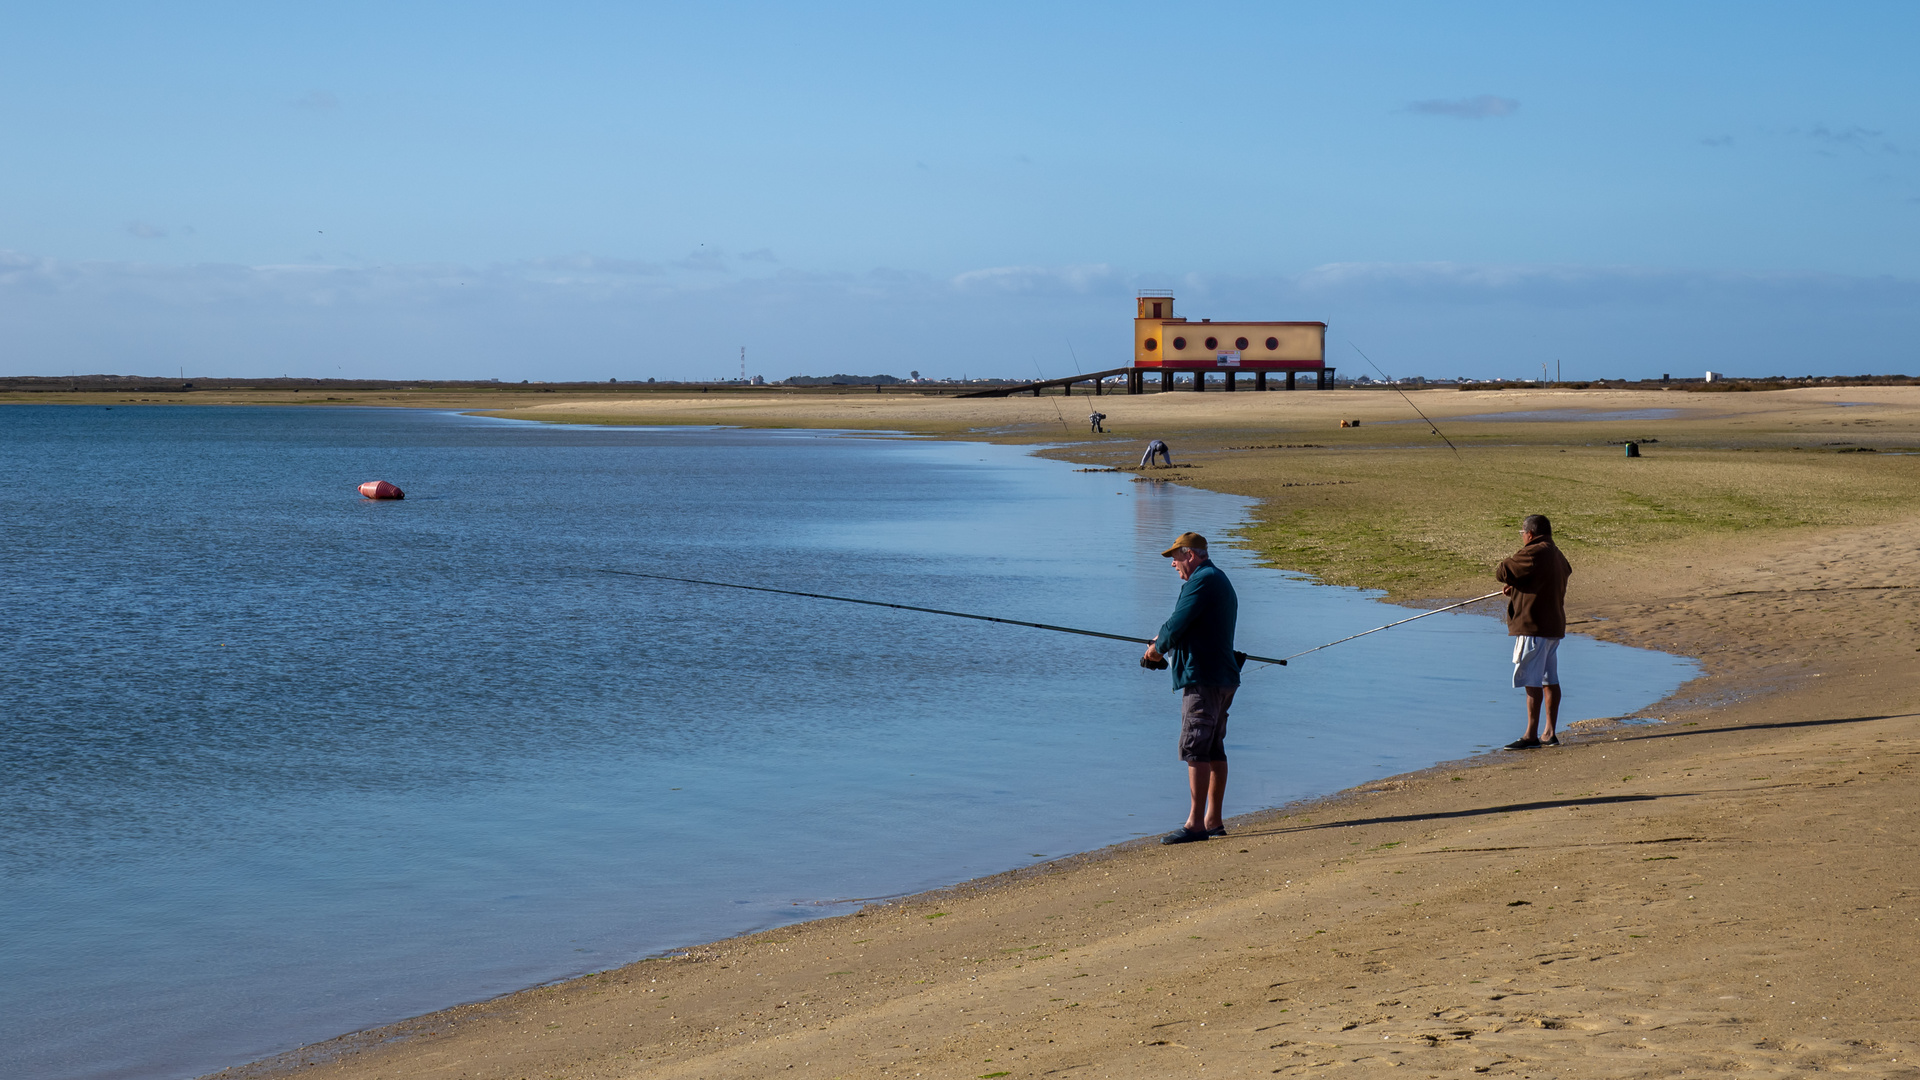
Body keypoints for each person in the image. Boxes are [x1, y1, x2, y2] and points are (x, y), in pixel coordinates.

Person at [1142, 532, 1241, 844]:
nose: (1173, 564)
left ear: (1191, 554)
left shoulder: (1202, 580)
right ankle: (1213, 820)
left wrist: (1157, 650)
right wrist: (1162, 642)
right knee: (1213, 748)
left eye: (1176, 556)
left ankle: (1196, 824)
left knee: (1195, 746)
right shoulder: (1217, 578)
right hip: (1222, 676)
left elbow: (1177, 622)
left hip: (1205, 678)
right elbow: (1191, 627)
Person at [1496, 513, 1573, 749]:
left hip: (1535, 628)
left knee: (1532, 680)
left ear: (1529, 533)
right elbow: (1543, 582)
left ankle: (1531, 735)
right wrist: (1519, 588)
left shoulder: (1534, 551)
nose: (1522, 538)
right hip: (1552, 627)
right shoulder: (1556, 553)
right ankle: (1549, 733)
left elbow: (1503, 571)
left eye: (1522, 534)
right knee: (1550, 679)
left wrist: (1515, 582)